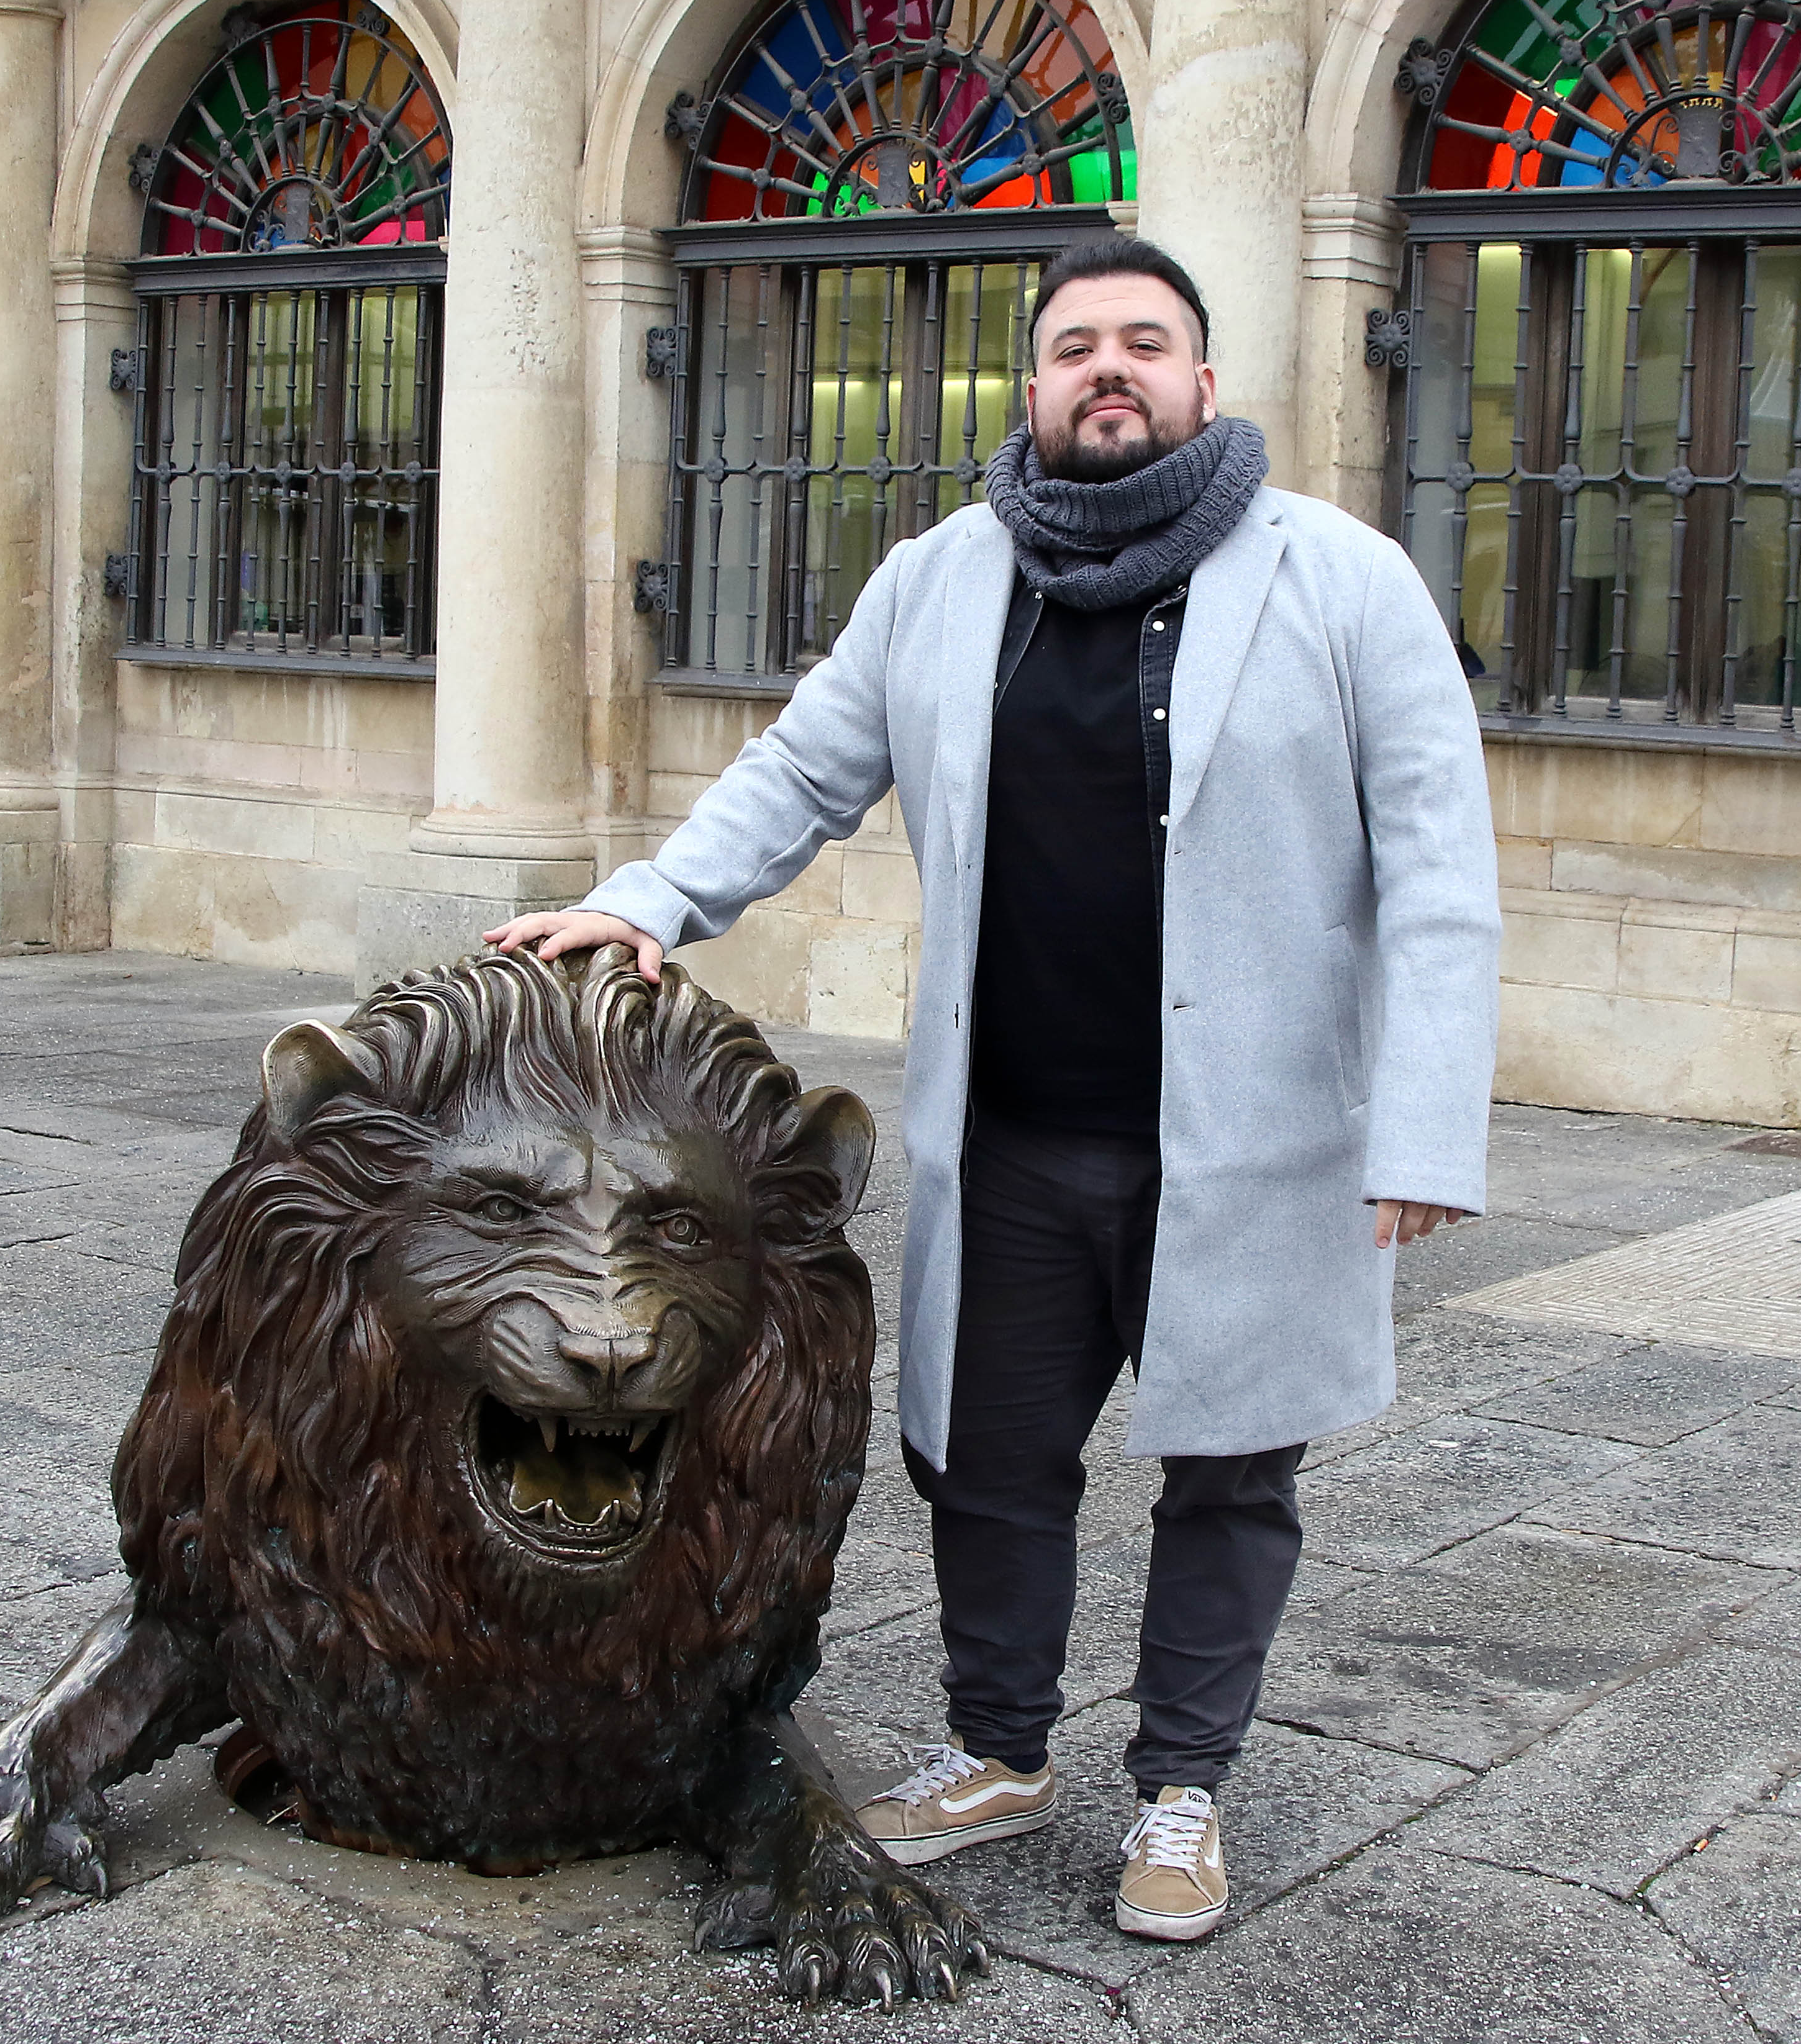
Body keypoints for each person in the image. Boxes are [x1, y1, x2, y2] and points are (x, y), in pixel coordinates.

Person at [490, 235, 1498, 1943]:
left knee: (1233, 1469)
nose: (1112, 369)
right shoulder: (942, 579)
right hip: (1016, 1133)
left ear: (1203, 378)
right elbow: (802, 768)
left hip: (1246, 1151)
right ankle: (998, 1749)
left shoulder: (1343, 579)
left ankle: (1182, 1788)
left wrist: (1422, 1127)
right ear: (1031, 387)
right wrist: (647, 903)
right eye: (1077, 346)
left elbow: (1440, 868)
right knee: (989, 1465)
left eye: (1147, 343)